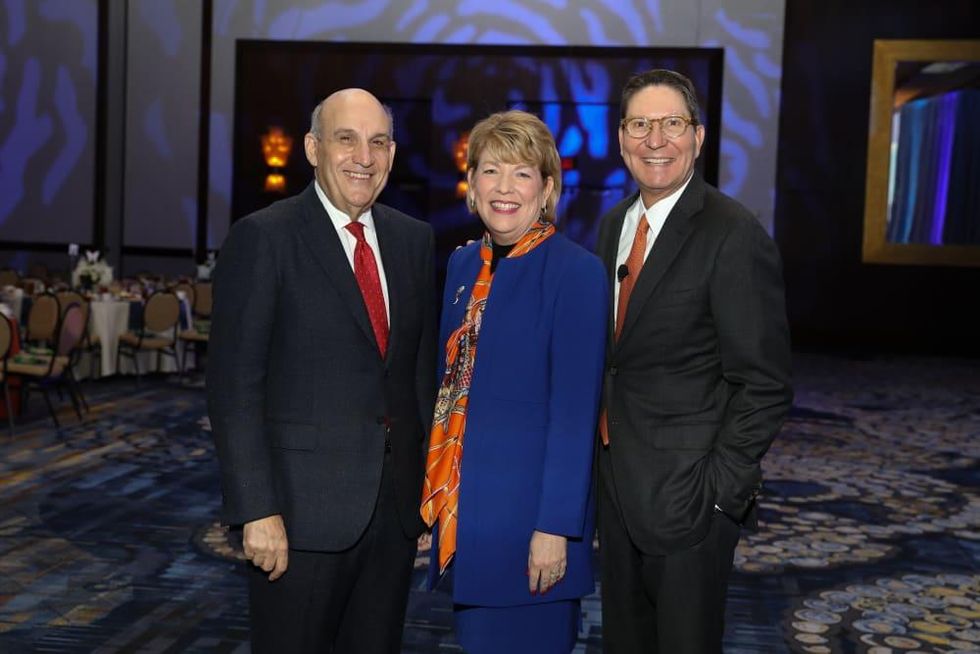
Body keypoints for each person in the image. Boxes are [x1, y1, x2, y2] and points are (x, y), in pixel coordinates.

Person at [207, 88, 436, 654]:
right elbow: (234, 388)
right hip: (296, 518)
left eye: (378, 141)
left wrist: (427, 494)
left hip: (393, 517)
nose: (364, 155)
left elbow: (416, 376)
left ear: (392, 153)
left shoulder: (414, 241)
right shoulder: (264, 237)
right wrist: (256, 508)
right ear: (312, 149)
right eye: (346, 139)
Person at [595, 69, 793, 653]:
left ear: (699, 137)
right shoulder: (614, 225)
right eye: (640, 124)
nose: (655, 139)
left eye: (672, 124)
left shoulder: (733, 234)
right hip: (618, 491)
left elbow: (765, 383)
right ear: (622, 137)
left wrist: (719, 494)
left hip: (691, 502)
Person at [420, 110, 607, 654]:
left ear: (547, 189)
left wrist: (554, 529)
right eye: (491, 171)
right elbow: (447, 390)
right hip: (471, 519)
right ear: (471, 184)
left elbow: (574, 416)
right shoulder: (461, 266)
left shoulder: (575, 272)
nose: (505, 188)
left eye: (523, 173)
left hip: (531, 531)